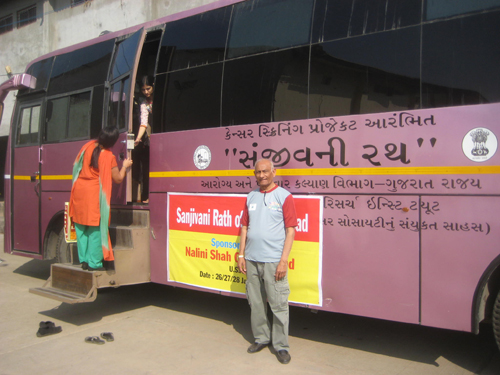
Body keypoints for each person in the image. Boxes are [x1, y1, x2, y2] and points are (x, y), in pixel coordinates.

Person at [237, 158, 297, 365]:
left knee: (279, 304)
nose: (261, 175)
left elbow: (290, 231)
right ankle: (261, 338)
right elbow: (244, 227)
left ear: (273, 172)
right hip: (252, 259)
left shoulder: (284, 196)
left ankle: (281, 346)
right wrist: (241, 254)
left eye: (265, 171)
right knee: (256, 303)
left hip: (273, 261)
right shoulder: (251, 196)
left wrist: (283, 261)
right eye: (257, 172)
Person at [69, 126, 133, 271]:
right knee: (95, 229)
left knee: (81, 227)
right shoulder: (108, 156)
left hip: (79, 192)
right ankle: (94, 263)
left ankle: (84, 260)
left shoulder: (87, 146)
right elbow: (117, 178)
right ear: (114, 142)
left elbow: (75, 165)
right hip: (93, 194)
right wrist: (125, 166)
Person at [133, 75, 153, 203]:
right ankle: (146, 196)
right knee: (146, 169)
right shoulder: (144, 103)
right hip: (151, 138)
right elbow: (143, 123)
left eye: (148, 88)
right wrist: (138, 138)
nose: (146, 92)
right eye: (143, 89)